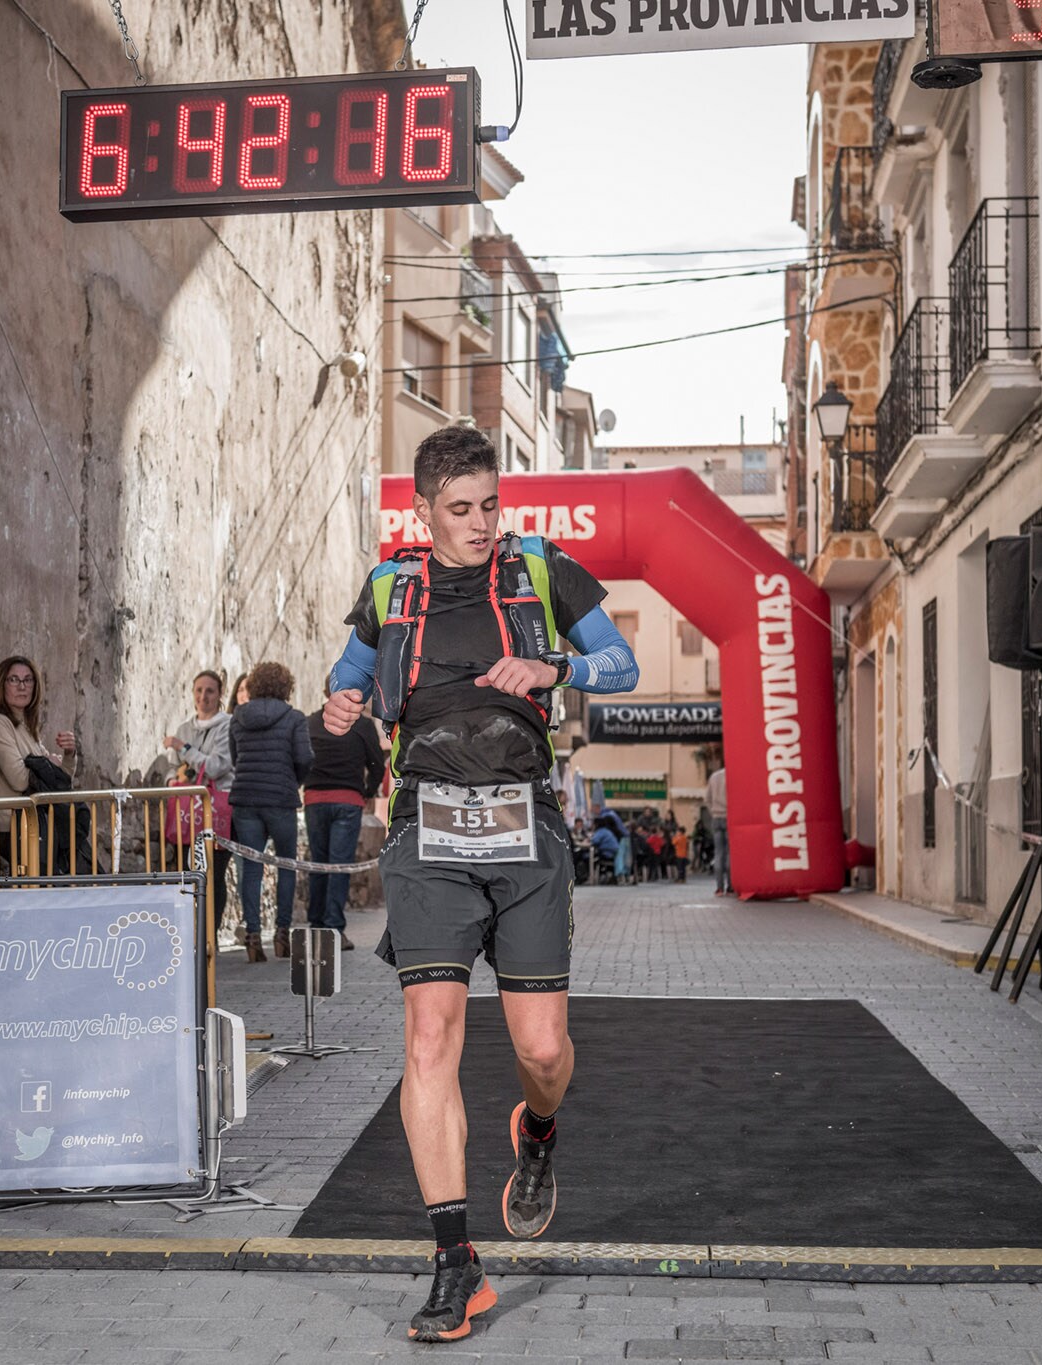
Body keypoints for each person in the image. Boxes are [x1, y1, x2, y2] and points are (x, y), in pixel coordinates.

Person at [323, 425, 638, 1343]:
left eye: (490, 504)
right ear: (423, 511)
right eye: (459, 509)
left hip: (523, 821)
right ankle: (456, 1265)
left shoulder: (542, 571)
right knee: (430, 1040)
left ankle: (536, 1133)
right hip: (428, 823)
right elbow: (343, 688)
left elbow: (624, 666)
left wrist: (555, 667)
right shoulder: (392, 589)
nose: (480, 523)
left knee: (544, 1052)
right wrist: (339, 704)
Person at [228, 662, 313, 963]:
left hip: (246, 798)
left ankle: (252, 934)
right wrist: (292, 781)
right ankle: (281, 933)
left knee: (251, 868)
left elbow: (235, 759)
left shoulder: (238, 717)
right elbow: (304, 758)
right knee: (285, 864)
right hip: (280, 798)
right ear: (286, 686)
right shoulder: (294, 718)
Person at [0, 655, 77, 869]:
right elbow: (20, 780)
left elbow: (61, 779)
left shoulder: (26, 728)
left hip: (36, 824)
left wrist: (69, 753)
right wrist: (45, 762)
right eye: (14, 680)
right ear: (2, 684)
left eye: (28, 680)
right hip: (11, 828)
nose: (22, 686)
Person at [304, 683, 387, 950]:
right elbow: (376, 763)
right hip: (348, 800)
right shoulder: (362, 725)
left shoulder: (312, 722)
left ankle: (316, 926)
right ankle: (334, 930)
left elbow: (302, 759)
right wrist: (367, 792)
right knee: (339, 866)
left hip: (315, 799)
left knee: (318, 864)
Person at [165, 670, 236, 933]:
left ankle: (210, 936)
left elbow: (217, 766)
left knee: (214, 874)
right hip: (186, 812)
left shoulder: (227, 725)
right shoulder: (185, 727)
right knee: (187, 871)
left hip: (216, 811)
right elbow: (173, 768)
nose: (203, 696)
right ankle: (189, 933)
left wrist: (184, 749)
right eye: (198, 690)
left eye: (209, 691)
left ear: (219, 695)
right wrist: (172, 781)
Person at [706, 762, 731, 896]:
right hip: (729, 817)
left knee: (719, 853)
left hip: (716, 818)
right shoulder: (732, 776)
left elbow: (707, 799)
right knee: (730, 853)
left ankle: (719, 887)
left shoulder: (713, 777)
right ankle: (730, 886)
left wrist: (714, 813)